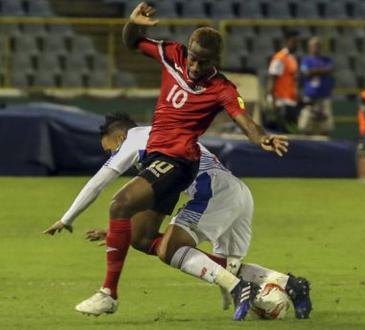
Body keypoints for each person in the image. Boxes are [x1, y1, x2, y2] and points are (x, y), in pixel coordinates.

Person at [43, 2, 288, 321]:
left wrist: (262, 138)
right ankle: (255, 282)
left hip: (178, 160)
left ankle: (108, 294)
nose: (197, 67)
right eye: (194, 58)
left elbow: (244, 120)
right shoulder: (171, 54)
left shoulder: (222, 88)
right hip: (161, 161)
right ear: (188, 51)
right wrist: (133, 24)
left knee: (119, 204)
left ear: (216, 61)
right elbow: (131, 42)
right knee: (145, 240)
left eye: (205, 62)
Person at [43, 113, 311, 319]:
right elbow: (153, 207)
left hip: (212, 191)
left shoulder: (135, 140)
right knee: (218, 262)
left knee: (170, 250)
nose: (111, 155)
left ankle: (241, 288)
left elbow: (98, 182)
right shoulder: (164, 140)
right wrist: (118, 230)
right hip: (237, 192)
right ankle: (289, 283)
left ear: (119, 138)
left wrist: (67, 218)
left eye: (110, 150)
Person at [298, 37, 335, 135]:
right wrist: (322, 71)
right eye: (314, 46)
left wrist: (314, 71)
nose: (316, 48)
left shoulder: (326, 60)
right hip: (310, 98)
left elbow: (330, 70)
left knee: (325, 127)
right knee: (306, 126)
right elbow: (306, 72)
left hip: (324, 97)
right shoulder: (306, 60)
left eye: (318, 46)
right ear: (309, 47)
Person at [266, 29, 300, 133]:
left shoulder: (292, 58)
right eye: (294, 41)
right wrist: (273, 102)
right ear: (287, 41)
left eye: (297, 42)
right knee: (282, 135)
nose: (296, 44)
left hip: (290, 103)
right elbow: (272, 80)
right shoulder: (279, 58)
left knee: (293, 134)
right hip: (281, 104)